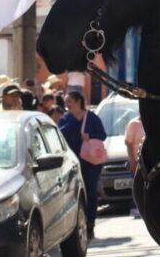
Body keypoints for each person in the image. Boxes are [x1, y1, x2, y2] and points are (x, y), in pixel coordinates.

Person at [58, 91, 106, 240]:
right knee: (73, 195)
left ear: (78, 101)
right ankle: (75, 227)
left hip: (90, 163)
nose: (67, 105)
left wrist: (90, 136)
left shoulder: (91, 117)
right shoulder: (66, 118)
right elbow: (60, 135)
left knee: (90, 194)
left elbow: (102, 135)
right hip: (71, 164)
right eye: (66, 102)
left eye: (70, 101)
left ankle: (90, 225)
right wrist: (74, 121)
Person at [123, 115, 145, 217]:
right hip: (137, 161)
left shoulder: (149, 121)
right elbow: (128, 143)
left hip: (147, 161)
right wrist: (132, 161)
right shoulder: (134, 124)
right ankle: (134, 208)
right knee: (137, 185)